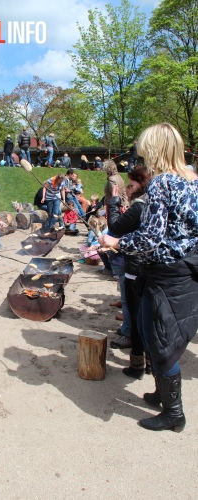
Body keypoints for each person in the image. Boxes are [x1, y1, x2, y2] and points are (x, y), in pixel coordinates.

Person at [99, 123, 198, 432]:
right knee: (147, 328)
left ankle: (174, 414)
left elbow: (149, 239)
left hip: (167, 274)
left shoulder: (162, 183)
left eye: (144, 149)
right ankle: (161, 393)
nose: (141, 155)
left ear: (154, 149)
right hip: (179, 271)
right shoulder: (191, 180)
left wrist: (115, 243)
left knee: (161, 339)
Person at [106, 166, 152, 372]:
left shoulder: (140, 207)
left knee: (137, 319)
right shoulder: (151, 205)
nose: (128, 189)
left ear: (141, 186)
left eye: (131, 185)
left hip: (136, 268)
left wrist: (113, 201)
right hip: (147, 268)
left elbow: (115, 226)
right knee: (145, 319)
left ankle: (137, 365)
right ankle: (149, 365)